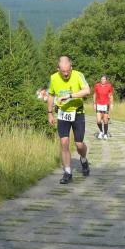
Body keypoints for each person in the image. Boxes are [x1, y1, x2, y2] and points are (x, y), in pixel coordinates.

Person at [47, 55, 91, 184]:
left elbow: (87, 91)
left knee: (79, 145)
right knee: (64, 142)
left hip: (77, 113)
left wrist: (70, 96)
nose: (66, 74)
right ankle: (67, 172)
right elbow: (51, 95)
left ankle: (83, 159)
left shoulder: (78, 75)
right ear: (58, 69)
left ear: (71, 67)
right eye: (63, 71)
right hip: (62, 113)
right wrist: (49, 113)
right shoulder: (53, 78)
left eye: (68, 71)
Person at [93, 74, 114, 139]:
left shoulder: (109, 86)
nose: (103, 80)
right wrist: (94, 104)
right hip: (98, 104)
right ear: (100, 80)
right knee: (98, 120)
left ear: (106, 80)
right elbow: (94, 94)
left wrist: (111, 104)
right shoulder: (97, 85)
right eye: (102, 79)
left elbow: (111, 95)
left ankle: (105, 134)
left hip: (106, 104)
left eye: (104, 79)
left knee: (105, 120)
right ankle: (101, 131)